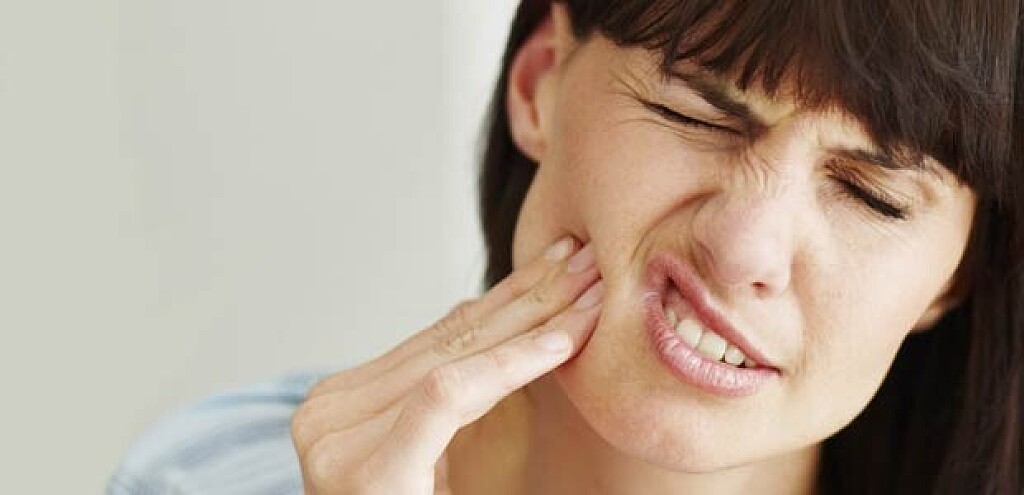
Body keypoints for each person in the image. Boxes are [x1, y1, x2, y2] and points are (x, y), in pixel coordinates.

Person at [109, 1, 1024, 493]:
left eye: (871, 195)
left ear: (956, 275)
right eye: (697, 112)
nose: (746, 246)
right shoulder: (202, 475)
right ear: (539, 81)